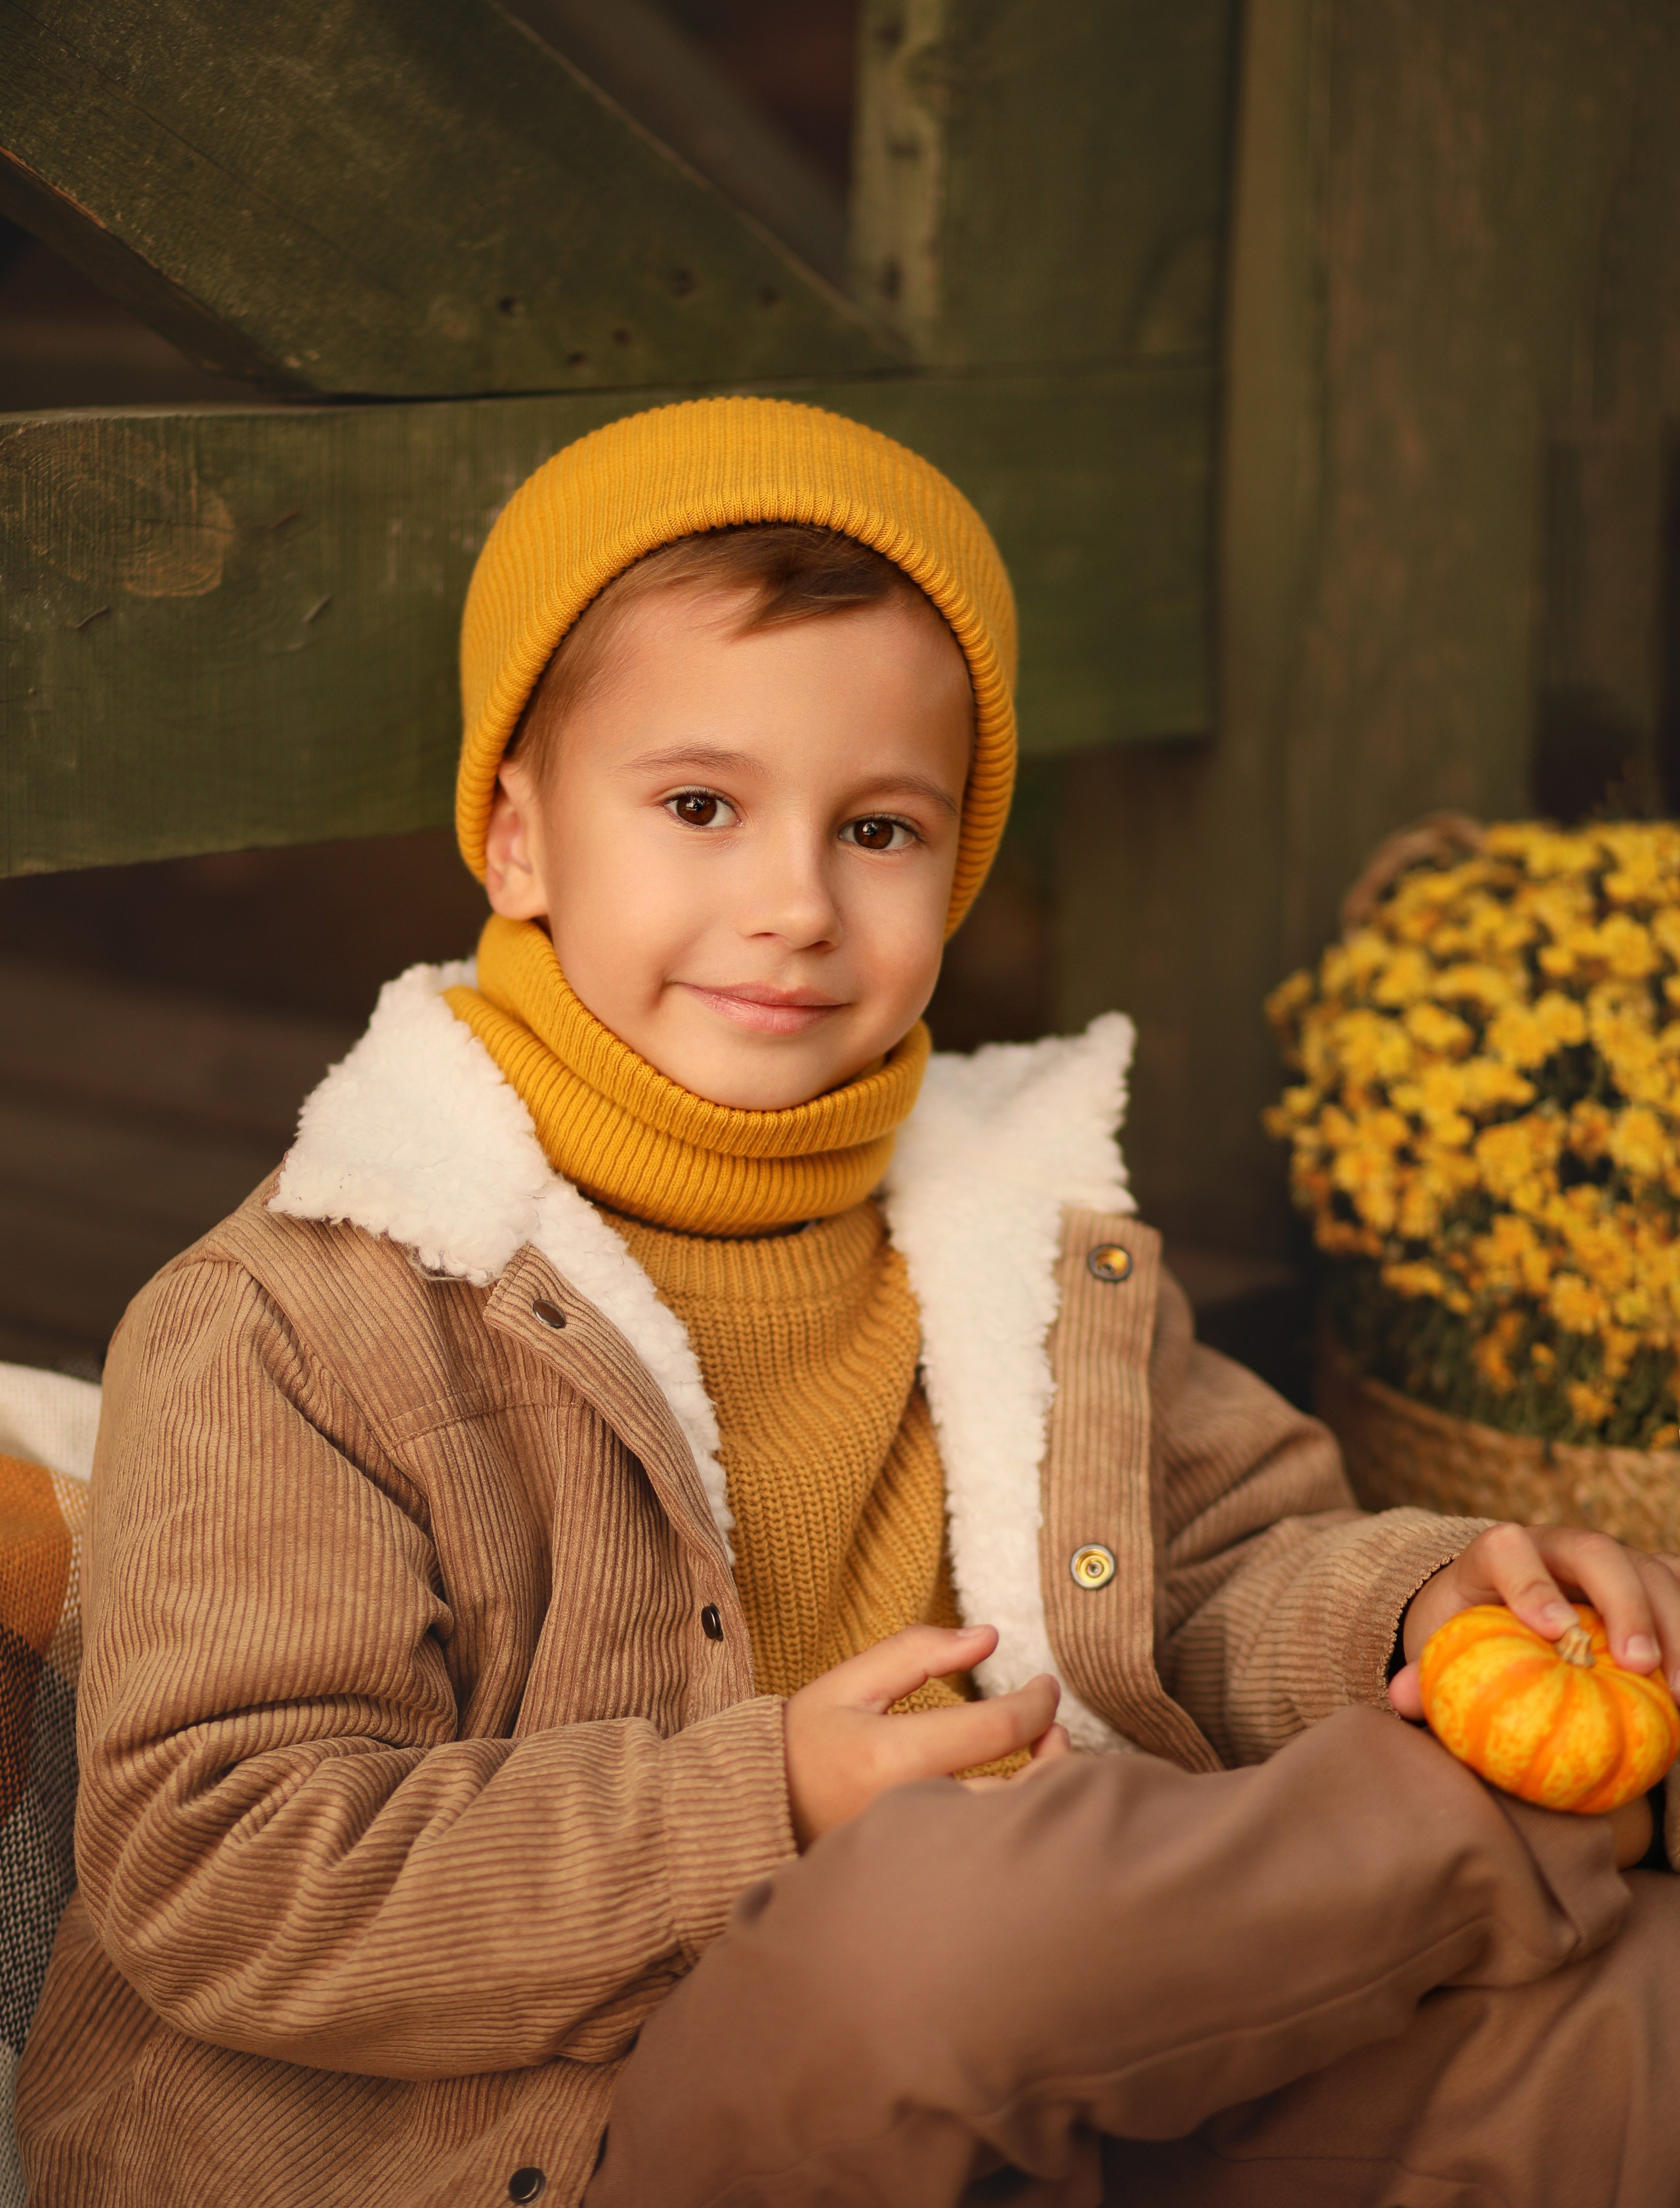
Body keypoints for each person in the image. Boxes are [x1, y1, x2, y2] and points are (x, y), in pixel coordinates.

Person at [16, 398, 1680, 2207]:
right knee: (924, 1921)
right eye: (701, 806)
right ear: (518, 840)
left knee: (1620, 2026)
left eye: (879, 828)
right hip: (563, 2141)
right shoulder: (296, 1319)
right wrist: (775, 1804)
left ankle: (1485, 1868)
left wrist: (1418, 1611)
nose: (797, 903)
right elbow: (228, 1870)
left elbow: (1208, 1581)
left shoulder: (1031, 1245)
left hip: (1029, 2064)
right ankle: (1500, 1847)